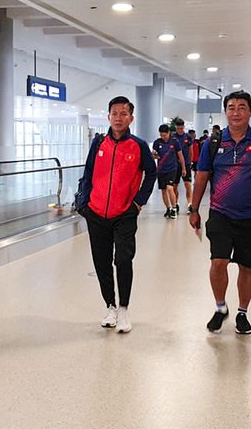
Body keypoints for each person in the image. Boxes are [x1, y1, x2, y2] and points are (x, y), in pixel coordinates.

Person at [189, 90, 251, 335]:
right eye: (231, 107)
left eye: (241, 107)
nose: (236, 112)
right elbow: (201, 176)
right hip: (220, 213)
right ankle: (220, 308)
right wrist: (194, 208)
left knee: (247, 266)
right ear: (225, 112)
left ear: (250, 112)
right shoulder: (213, 143)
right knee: (218, 261)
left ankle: (243, 312)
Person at [76, 96, 157, 333]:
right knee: (101, 262)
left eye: (124, 113)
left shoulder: (139, 145)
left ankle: (123, 309)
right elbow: (88, 171)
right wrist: (85, 203)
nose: (118, 118)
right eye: (114, 113)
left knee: (122, 259)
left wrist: (139, 202)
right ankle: (110, 306)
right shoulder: (99, 143)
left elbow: (151, 174)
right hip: (96, 212)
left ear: (131, 117)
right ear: (108, 116)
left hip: (124, 213)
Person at [152, 124, 185, 219]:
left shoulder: (175, 142)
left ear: (169, 133)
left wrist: (183, 168)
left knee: (170, 188)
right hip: (161, 169)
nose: (163, 137)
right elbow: (153, 154)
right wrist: (154, 155)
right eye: (161, 135)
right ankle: (168, 208)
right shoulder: (157, 142)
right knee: (163, 190)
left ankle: (174, 208)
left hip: (172, 169)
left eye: (164, 135)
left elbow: (180, 155)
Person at [171, 118, 194, 214]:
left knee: (187, 184)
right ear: (176, 128)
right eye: (178, 128)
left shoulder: (188, 137)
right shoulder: (172, 137)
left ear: (183, 127)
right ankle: (175, 204)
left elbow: (191, 150)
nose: (180, 130)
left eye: (181, 128)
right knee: (174, 186)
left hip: (187, 164)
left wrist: (190, 162)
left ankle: (190, 204)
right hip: (175, 165)